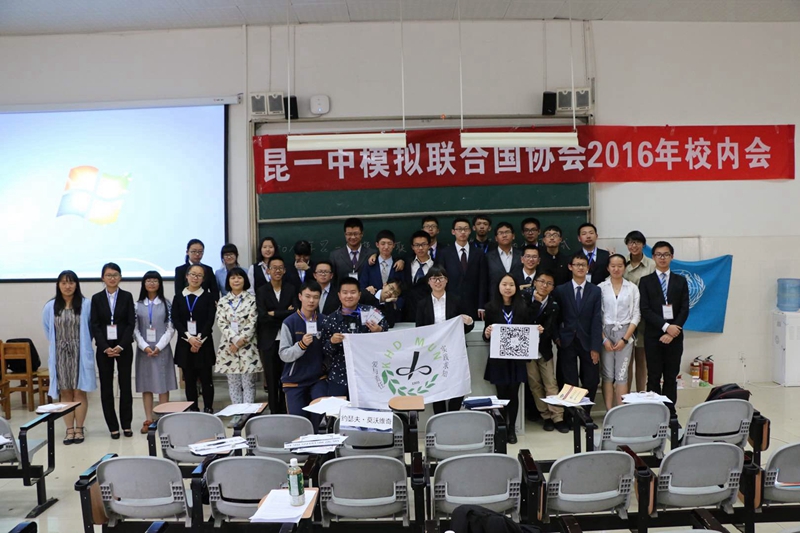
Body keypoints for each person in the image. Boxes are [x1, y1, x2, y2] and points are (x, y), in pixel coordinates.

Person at [42, 270, 95, 445]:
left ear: (76, 285)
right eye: (64, 283)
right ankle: (69, 429)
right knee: (65, 391)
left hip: (80, 351)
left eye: (71, 282)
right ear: (58, 285)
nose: (67, 286)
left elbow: (91, 328)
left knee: (79, 390)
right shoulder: (50, 306)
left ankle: (79, 428)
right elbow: (48, 329)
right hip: (60, 353)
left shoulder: (86, 304)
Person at [415, 266, 475, 414]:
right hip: (433, 352)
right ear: (428, 282)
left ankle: (453, 416)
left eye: (441, 278)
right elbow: (420, 331)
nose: (437, 281)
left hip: (455, 350)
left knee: (457, 384)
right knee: (437, 386)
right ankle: (440, 418)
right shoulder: (422, 304)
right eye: (434, 278)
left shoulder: (457, 300)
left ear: (446, 280)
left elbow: (466, 327)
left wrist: (469, 321)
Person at [639, 241, 690, 414]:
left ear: (672, 257)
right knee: (653, 376)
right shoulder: (645, 281)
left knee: (670, 376)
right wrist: (666, 326)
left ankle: (669, 412)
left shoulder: (680, 281)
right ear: (653, 257)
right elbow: (645, 309)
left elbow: (684, 309)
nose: (662, 258)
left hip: (675, 336)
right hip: (653, 336)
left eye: (666, 254)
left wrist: (673, 331)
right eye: (659, 255)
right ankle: (653, 412)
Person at [482, 274, 532, 444]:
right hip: (499, 358)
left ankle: (512, 429)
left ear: (516, 287)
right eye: (504, 284)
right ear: (499, 287)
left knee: (513, 394)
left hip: (516, 359)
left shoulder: (523, 307)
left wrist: (537, 331)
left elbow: (528, 331)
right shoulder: (490, 307)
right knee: (501, 394)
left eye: (511, 284)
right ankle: (501, 428)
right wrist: (487, 333)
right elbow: (486, 336)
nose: (508, 288)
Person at [320, 278, 388, 397]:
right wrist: (332, 342)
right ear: (339, 295)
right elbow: (324, 350)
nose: (349, 296)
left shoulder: (371, 312)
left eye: (353, 292)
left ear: (359, 294)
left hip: (369, 373)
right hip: (339, 374)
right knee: (337, 407)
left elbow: (387, 338)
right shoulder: (330, 319)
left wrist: (379, 331)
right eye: (345, 292)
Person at [552, 253, 603, 413]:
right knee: (569, 381)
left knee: (591, 380)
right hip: (567, 340)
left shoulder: (595, 290)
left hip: (588, 340)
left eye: (583, 265)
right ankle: (571, 416)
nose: (580, 268)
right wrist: (557, 337)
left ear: (588, 268)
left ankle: (585, 414)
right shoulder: (561, 290)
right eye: (577, 264)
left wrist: (596, 347)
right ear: (570, 267)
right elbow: (554, 317)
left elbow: (597, 320)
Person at [90, 262, 135, 438]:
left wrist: (121, 345)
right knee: (106, 388)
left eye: (115, 275)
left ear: (120, 277)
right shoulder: (96, 298)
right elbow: (95, 325)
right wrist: (105, 347)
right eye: (108, 275)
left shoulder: (127, 296)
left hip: (124, 347)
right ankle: (113, 427)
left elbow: (131, 323)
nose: (112, 278)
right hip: (104, 349)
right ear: (103, 278)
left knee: (125, 386)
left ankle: (126, 424)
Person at [521, 271, 568, 433]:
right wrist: (536, 303)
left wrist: (547, 334)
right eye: (541, 281)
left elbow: (552, 327)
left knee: (550, 383)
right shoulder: (524, 298)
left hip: (544, 348)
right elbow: (523, 320)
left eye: (549, 283)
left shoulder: (554, 304)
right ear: (535, 282)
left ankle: (558, 417)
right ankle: (546, 416)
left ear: (553, 287)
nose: (544, 285)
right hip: (527, 349)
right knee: (535, 384)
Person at [279, 281, 328, 428]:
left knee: (319, 419)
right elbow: (284, 354)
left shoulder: (324, 321)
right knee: (299, 424)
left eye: (315, 297)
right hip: (294, 381)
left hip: (318, 378)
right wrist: (301, 345)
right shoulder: (289, 322)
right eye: (307, 296)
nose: (311, 301)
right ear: (300, 297)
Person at [133, 271, 177, 434]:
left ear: (160, 284)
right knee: (147, 385)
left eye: (155, 280)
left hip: (162, 350)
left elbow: (170, 328)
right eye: (148, 280)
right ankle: (148, 419)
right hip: (144, 351)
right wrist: (144, 346)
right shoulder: (137, 305)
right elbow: (134, 329)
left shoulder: (166, 303)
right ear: (144, 284)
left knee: (163, 385)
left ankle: (163, 418)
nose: (152, 283)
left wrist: (159, 346)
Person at [216, 267, 262, 421]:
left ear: (245, 280)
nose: (236, 280)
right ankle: (236, 414)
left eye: (239, 277)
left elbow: (253, 321)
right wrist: (234, 340)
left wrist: (240, 340)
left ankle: (248, 414)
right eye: (233, 278)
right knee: (233, 383)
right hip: (229, 347)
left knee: (248, 383)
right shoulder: (223, 301)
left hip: (247, 345)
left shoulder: (252, 299)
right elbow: (221, 322)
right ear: (228, 281)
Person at [172, 264, 217, 412]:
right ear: (187, 276)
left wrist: (198, 339)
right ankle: (193, 409)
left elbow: (210, 320)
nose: (195, 278)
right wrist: (189, 338)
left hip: (204, 343)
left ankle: (208, 408)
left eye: (199, 275)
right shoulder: (179, 297)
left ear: (203, 279)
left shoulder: (208, 297)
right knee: (189, 380)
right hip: (185, 343)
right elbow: (176, 320)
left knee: (206, 379)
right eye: (193, 274)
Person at [598, 254, 640, 410]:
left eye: (620, 266)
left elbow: (636, 315)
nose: (616, 269)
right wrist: (604, 339)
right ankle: (609, 411)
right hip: (605, 332)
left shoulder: (632, 288)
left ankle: (620, 413)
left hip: (625, 332)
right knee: (607, 375)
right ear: (608, 268)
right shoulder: (601, 288)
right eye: (613, 266)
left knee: (622, 375)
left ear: (625, 267)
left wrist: (625, 339)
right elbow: (596, 316)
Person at [255, 256, 297, 414]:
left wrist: (274, 313)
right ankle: (274, 412)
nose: (277, 271)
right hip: (269, 340)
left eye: (280, 268)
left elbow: (295, 312)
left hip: (288, 340)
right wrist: (284, 312)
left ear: (284, 270)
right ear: (268, 271)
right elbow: (262, 316)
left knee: (286, 378)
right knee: (271, 380)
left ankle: (286, 410)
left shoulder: (291, 288)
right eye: (274, 268)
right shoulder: (262, 290)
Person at [623, 230, 655, 392]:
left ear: (643, 244)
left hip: (645, 318)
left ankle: (641, 394)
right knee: (626, 361)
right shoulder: (622, 263)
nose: (634, 246)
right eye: (630, 242)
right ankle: (626, 397)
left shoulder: (652, 265)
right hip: (625, 318)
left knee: (642, 360)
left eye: (637, 242)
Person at [439, 217, 487, 320]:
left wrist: (481, 305)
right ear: (453, 232)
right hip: (451, 303)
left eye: (465, 229)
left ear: (470, 231)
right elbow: (441, 278)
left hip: (473, 303)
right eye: (459, 229)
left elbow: (483, 280)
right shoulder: (444, 253)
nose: (463, 232)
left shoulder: (478, 253)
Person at [401, 231, 435, 322]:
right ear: (412, 247)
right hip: (407, 311)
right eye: (417, 245)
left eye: (423, 244)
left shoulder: (436, 265)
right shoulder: (406, 263)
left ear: (429, 245)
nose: (420, 248)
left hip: (429, 310)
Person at [360, 230, 401, 296]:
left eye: (389, 244)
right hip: (371, 301)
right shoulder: (369, 264)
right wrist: (366, 291)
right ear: (377, 244)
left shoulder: (399, 265)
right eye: (383, 243)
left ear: (394, 245)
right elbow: (362, 287)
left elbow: (403, 290)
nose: (386, 247)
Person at [329, 218, 369, 282]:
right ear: (345, 234)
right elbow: (332, 280)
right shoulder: (335, 256)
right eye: (349, 234)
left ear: (362, 234)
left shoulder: (371, 254)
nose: (353, 237)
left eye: (356, 234)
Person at [486, 222, 522, 291]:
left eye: (507, 232)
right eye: (501, 233)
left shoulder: (521, 255)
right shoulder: (488, 257)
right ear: (496, 238)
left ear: (513, 236)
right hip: (495, 295)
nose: (504, 235)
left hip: (518, 294)